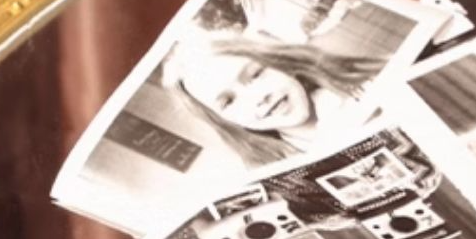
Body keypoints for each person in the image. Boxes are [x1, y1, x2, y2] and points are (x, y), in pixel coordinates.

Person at [160, 32, 384, 166]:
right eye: (228, 102)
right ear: (225, 121)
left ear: (281, 65)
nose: (258, 97)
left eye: (256, 74)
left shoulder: (374, 84)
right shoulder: (275, 166)